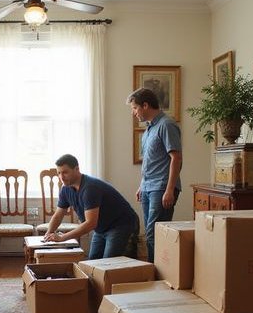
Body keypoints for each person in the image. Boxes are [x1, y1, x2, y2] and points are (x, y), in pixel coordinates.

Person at [43, 154, 139, 260]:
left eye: (65, 172)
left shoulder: (90, 188)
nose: (61, 177)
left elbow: (90, 223)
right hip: (101, 228)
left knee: (110, 264)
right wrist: (48, 234)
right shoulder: (65, 188)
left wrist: (62, 238)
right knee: (93, 263)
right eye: (59, 173)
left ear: (77, 169)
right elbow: (58, 215)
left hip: (122, 225)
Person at [127, 87, 182, 263]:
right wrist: (141, 185)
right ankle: (155, 273)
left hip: (162, 187)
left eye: (135, 108)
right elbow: (150, 162)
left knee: (154, 235)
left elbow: (176, 158)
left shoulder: (167, 124)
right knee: (150, 235)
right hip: (148, 188)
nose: (134, 113)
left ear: (145, 105)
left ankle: (158, 276)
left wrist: (170, 189)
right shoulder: (149, 129)